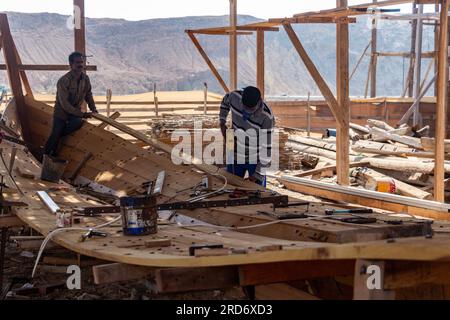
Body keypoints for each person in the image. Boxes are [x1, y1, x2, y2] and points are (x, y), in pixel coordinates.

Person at [43, 52, 98, 157]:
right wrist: (81, 114)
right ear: (71, 64)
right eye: (77, 62)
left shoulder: (85, 79)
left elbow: (88, 94)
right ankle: (44, 156)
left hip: (74, 112)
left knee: (77, 123)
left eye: (82, 62)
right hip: (61, 113)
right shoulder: (63, 81)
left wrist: (93, 108)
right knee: (55, 134)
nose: (80, 65)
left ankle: (55, 148)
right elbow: (64, 104)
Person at [219, 86, 275, 186]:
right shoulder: (234, 97)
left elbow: (266, 149)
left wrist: (257, 175)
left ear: (259, 102)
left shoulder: (267, 117)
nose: (247, 112)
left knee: (257, 192)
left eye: (251, 109)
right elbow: (225, 102)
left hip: (255, 158)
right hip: (235, 152)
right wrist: (222, 123)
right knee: (231, 186)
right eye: (245, 108)